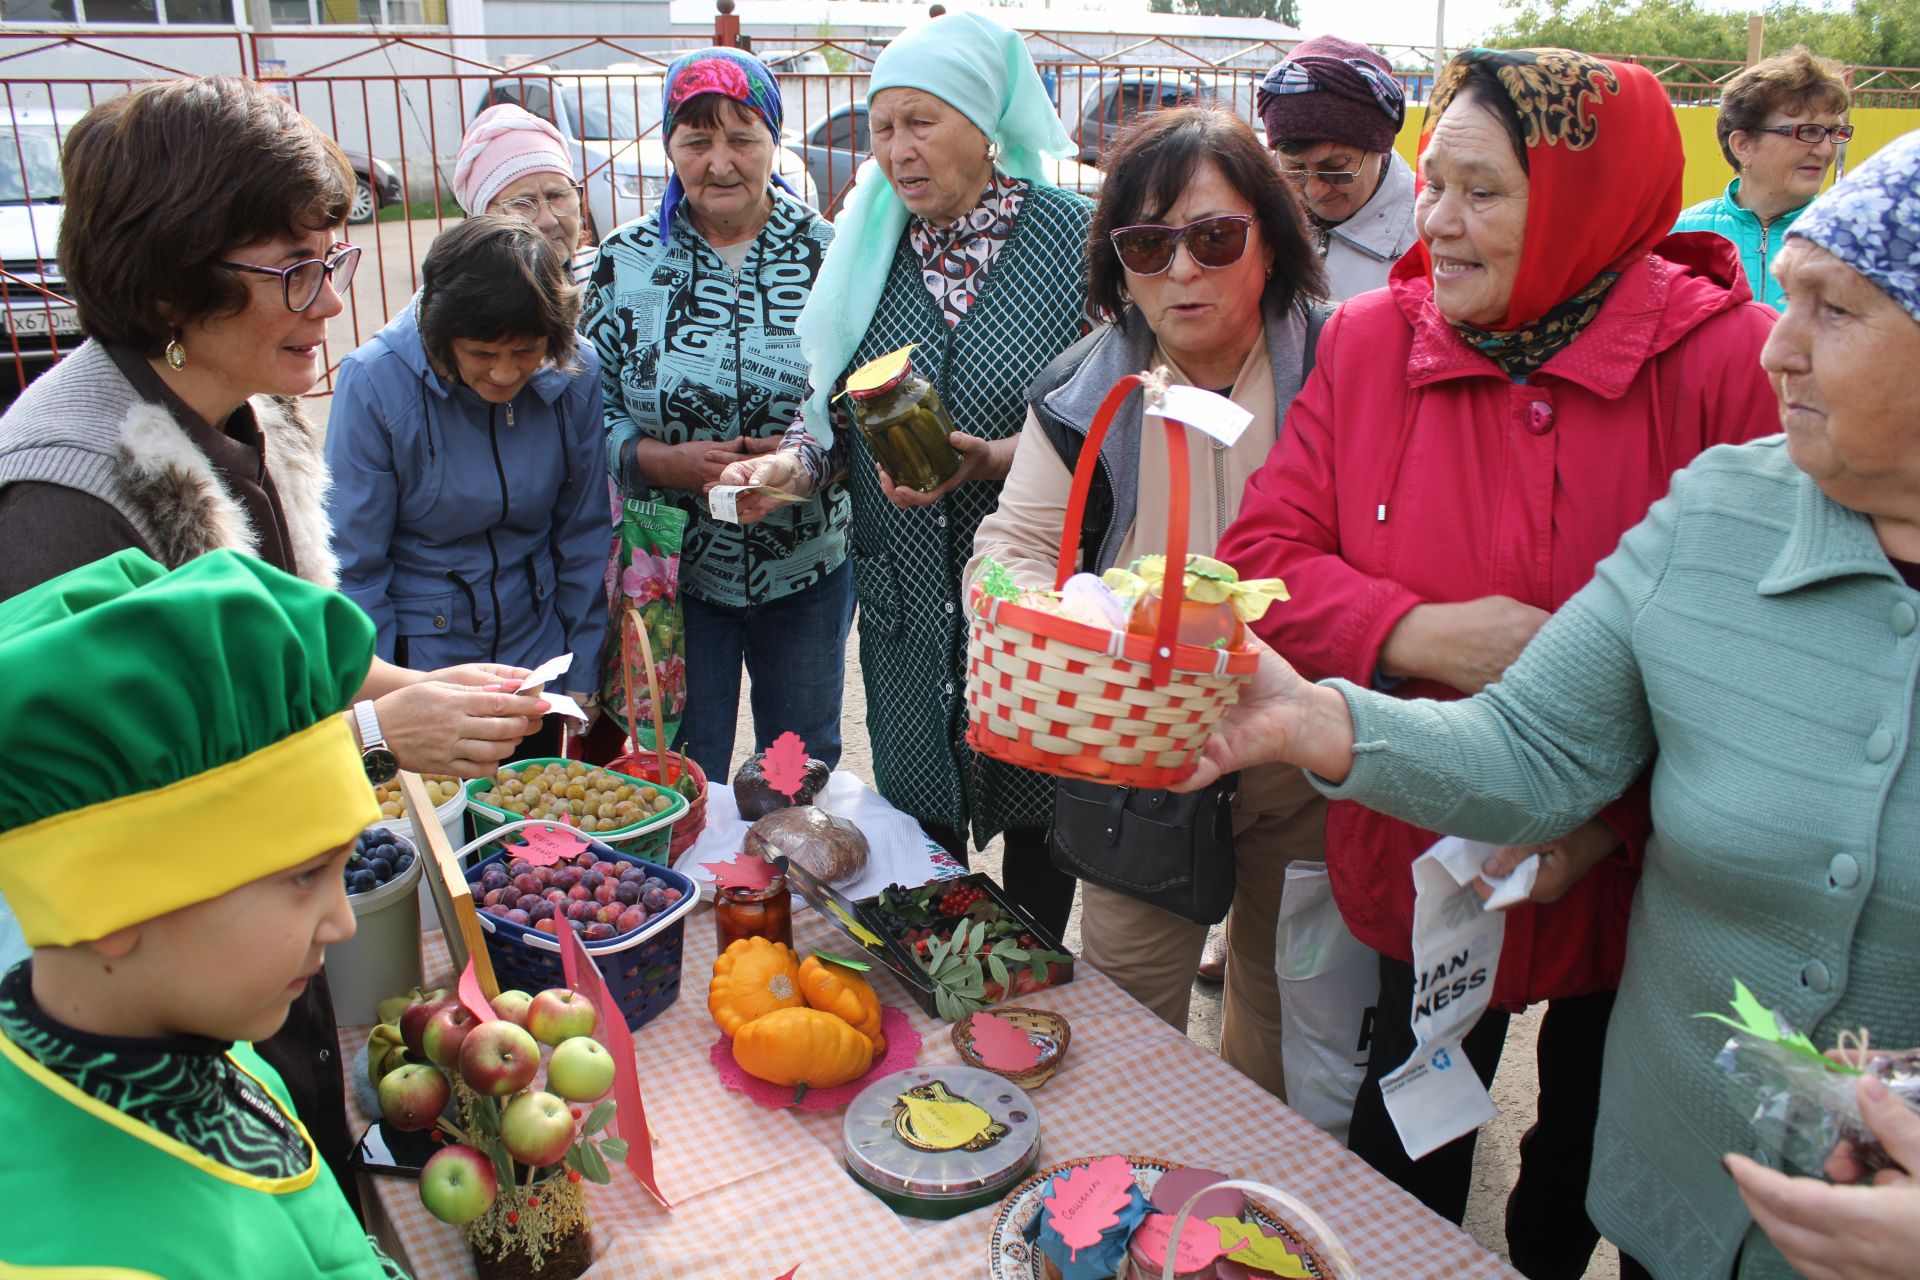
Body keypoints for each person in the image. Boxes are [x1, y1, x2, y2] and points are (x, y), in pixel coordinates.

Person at [1189, 126, 1920, 1280]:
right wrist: (1331, 708)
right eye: (1435, 183)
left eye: (1834, 311)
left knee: (1559, 1139)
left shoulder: (1708, 361)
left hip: (1616, 917)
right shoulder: (1731, 503)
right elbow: (1538, 736)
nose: (1778, 351)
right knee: (1413, 1127)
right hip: (1677, 1186)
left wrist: (1611, 831)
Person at [0, 75, 548, 1208]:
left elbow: (273, 645)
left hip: (244, 950)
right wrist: (379, 738)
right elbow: (116, 830)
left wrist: (413, 687)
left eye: (333, 261)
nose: (332, 303)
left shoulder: (231, 405)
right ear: (169, 282)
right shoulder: (63, 505)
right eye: (295, 272)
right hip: (151, 1032)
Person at [969, 105, 1327, 1099]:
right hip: (1139, 753)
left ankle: (1252, 1221)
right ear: (1117, 262)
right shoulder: (1084, 390)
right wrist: (1048, 622)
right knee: (1129, 1025)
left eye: (1214, 238)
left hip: (1301, 753)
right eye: (1147, 244)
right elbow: (1015, 545)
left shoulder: (1341, 370)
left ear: (1272, 232)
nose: (1182, 271)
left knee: (1283, 1012)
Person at [717, 11, 1093, 938]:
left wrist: (1001, 461)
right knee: (923, 832)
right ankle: (953, 982)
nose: (896, 150)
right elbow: (835, 434)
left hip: (1033, 597)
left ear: (982, 120)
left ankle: (1037, 982)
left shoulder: (1079, 244)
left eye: (921, 122)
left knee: (1047, 826)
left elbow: (1118, 424)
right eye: (882, 128)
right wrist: (789, 471)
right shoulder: (867, 250)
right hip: (907, 604)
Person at [0, 549, 405, 1277]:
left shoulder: (214, 1042)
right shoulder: (85, 1257)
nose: (342, 922)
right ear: (108, 897)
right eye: (305, 876)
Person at [583, 47, 851, 783]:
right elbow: (587, 408)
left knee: (796, 773)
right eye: (696, 141)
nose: (719, 162)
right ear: (669, 146)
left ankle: (787, 896)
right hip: (676, 572)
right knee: (677, 771)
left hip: (805, 565)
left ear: (774, 140)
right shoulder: (624, 261)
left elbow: (860, 403)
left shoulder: (832, 259)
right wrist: (651, 460)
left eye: (742, 137)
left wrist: (800, 466)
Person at [326, 216, 610, 763]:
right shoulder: (374, 383)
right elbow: (353, 568)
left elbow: (583, 532)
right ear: (440, 333)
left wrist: (583, 666)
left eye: (526, 352)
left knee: (539, 826)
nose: (505, 374)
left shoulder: (576, 371)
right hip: (423, 661)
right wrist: (384, 701)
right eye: (482, 353)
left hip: (536, 654)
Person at [1672, 47, 1850, 310]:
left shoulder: (1853, 239)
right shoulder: (1682, 236)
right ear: (1743, 144)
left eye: (1834, 132)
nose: (1825, 150)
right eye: (1808, 131)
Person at [1256, 35, 1418, 300]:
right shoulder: (1257, 212)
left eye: (1336, 167)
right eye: (1295, 169)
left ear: (1381, 149)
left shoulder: (1432, 235)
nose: (1315, 191)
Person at [455, 103, 596, 285]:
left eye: (557, 195)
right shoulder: (450, 301)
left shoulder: (612, 275)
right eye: (522, 203)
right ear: (482, 218)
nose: (548, 221)